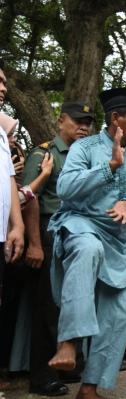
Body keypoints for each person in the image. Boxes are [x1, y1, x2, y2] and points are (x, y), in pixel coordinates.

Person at [46, 87, 126, 399]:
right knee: (87, 248)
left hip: (116, 238)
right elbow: (65, 188)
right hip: (81, 223)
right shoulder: (85, 147)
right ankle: (69, 342)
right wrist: (110, 167)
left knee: (120, 314)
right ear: (116, 118)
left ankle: (89, 388)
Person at [22, 101, 95, 396]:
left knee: (73, 302)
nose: (84, 127)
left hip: (79, 232)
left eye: (88, 123)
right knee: (48, 306)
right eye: (78, 121)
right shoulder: (44, 154)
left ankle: (69, 364)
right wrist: (36, 245)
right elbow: (29, 198)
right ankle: (42, 376)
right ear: (60, 120)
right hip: (50, 231)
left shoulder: (86, 157)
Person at [0, 59, 26, 392]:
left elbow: (10, 181)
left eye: (5, 82)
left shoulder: (2, 134)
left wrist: (17, 226)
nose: (4, 87)